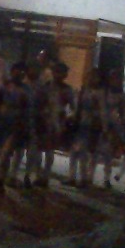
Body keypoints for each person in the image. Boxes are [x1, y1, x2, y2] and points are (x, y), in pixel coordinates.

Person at [0, 61, 30, 190]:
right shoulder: (4, 86)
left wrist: (23, 125)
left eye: (22, 72)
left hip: (14, 126)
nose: (20, 74)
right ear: (12, 71)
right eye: (17, 70)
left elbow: (27, 109)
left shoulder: (26, 90)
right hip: (0, 123)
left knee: (6, 154)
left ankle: (1, 179)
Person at [36, 60, 76, 188]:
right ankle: (38, 175)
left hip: (56, 122)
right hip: (43, 119)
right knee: (38, 149)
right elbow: (38, 102)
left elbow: (73, 108)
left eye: (62, 73)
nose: (59, 75)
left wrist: (66, 118)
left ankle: (45, 176)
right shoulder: (45, 86)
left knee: (49, 149)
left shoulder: (67, 90)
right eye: (57, 72)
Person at [67, 68, 104, 188]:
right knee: (74, 151)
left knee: (84, 152)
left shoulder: (99, 93)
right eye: (90, 76)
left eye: (94, 77)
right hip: (80, 123)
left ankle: (84, 178)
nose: (91, 79)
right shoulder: (83, 90)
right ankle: (72, 177)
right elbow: (77, 107)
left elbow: (101, 111)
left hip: (90, 124)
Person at [95, 70, 125, 189]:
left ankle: (106, 179)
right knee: (95, 151)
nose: (117, 81)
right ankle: (88, 175)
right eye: (115, 78)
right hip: (100, 122)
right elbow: (99, 107)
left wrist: (120, 126)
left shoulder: (122, 95)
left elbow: (124, 113)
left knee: (108, 154)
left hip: (113, 125)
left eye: (119, 79)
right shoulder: (103, 92)